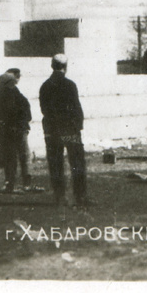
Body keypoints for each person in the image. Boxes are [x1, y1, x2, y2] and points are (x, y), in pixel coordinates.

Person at [39, 54, 88, 206]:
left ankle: (59, 196)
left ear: (52, 66)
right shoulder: (70, 85)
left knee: (55, 163)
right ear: (65, 67)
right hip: (70, 130)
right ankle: (80, 196)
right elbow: (76, 107)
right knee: (77, 162)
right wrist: (78, 126)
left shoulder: (45, 86)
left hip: (53, 130)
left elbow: (44, 110)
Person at [0, 68, 33, 192]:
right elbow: (23, 109)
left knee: (10, 156)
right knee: (24, 155)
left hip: (8, 129)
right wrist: (23, 123)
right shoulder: (13, 92)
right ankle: (26, 183)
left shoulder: (1, 92)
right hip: (18, 128)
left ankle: (10, 183)